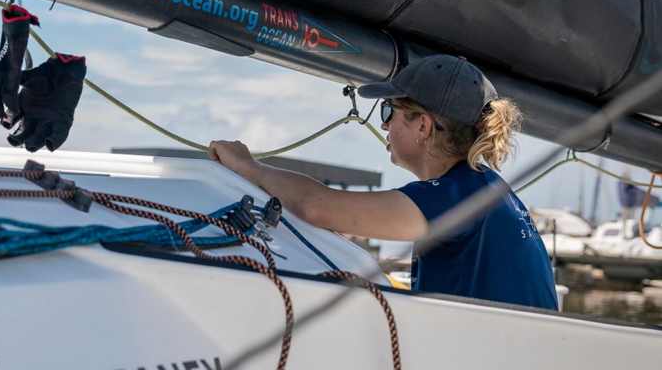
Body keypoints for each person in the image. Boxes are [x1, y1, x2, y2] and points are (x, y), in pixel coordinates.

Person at [209, 54, 558, 310]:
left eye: (389, 111)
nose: (384, 125)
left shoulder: (456, 195)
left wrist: (249, 167)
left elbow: (317, 206)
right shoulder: (483, 188)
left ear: (423, 126)